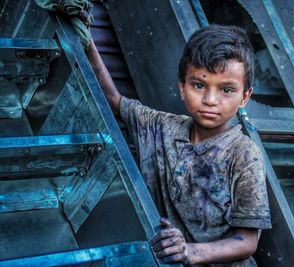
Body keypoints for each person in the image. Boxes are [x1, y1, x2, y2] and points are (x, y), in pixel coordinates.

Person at [87, 24, 271, 266]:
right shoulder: (161, 126)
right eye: (199, 85)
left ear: (245, 97)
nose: (210, 100)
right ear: (182, 88)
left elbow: (247, 241)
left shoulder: (243, 153)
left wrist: (190, 251)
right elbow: (114, 99)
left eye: (226, 89)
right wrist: (86, 39)